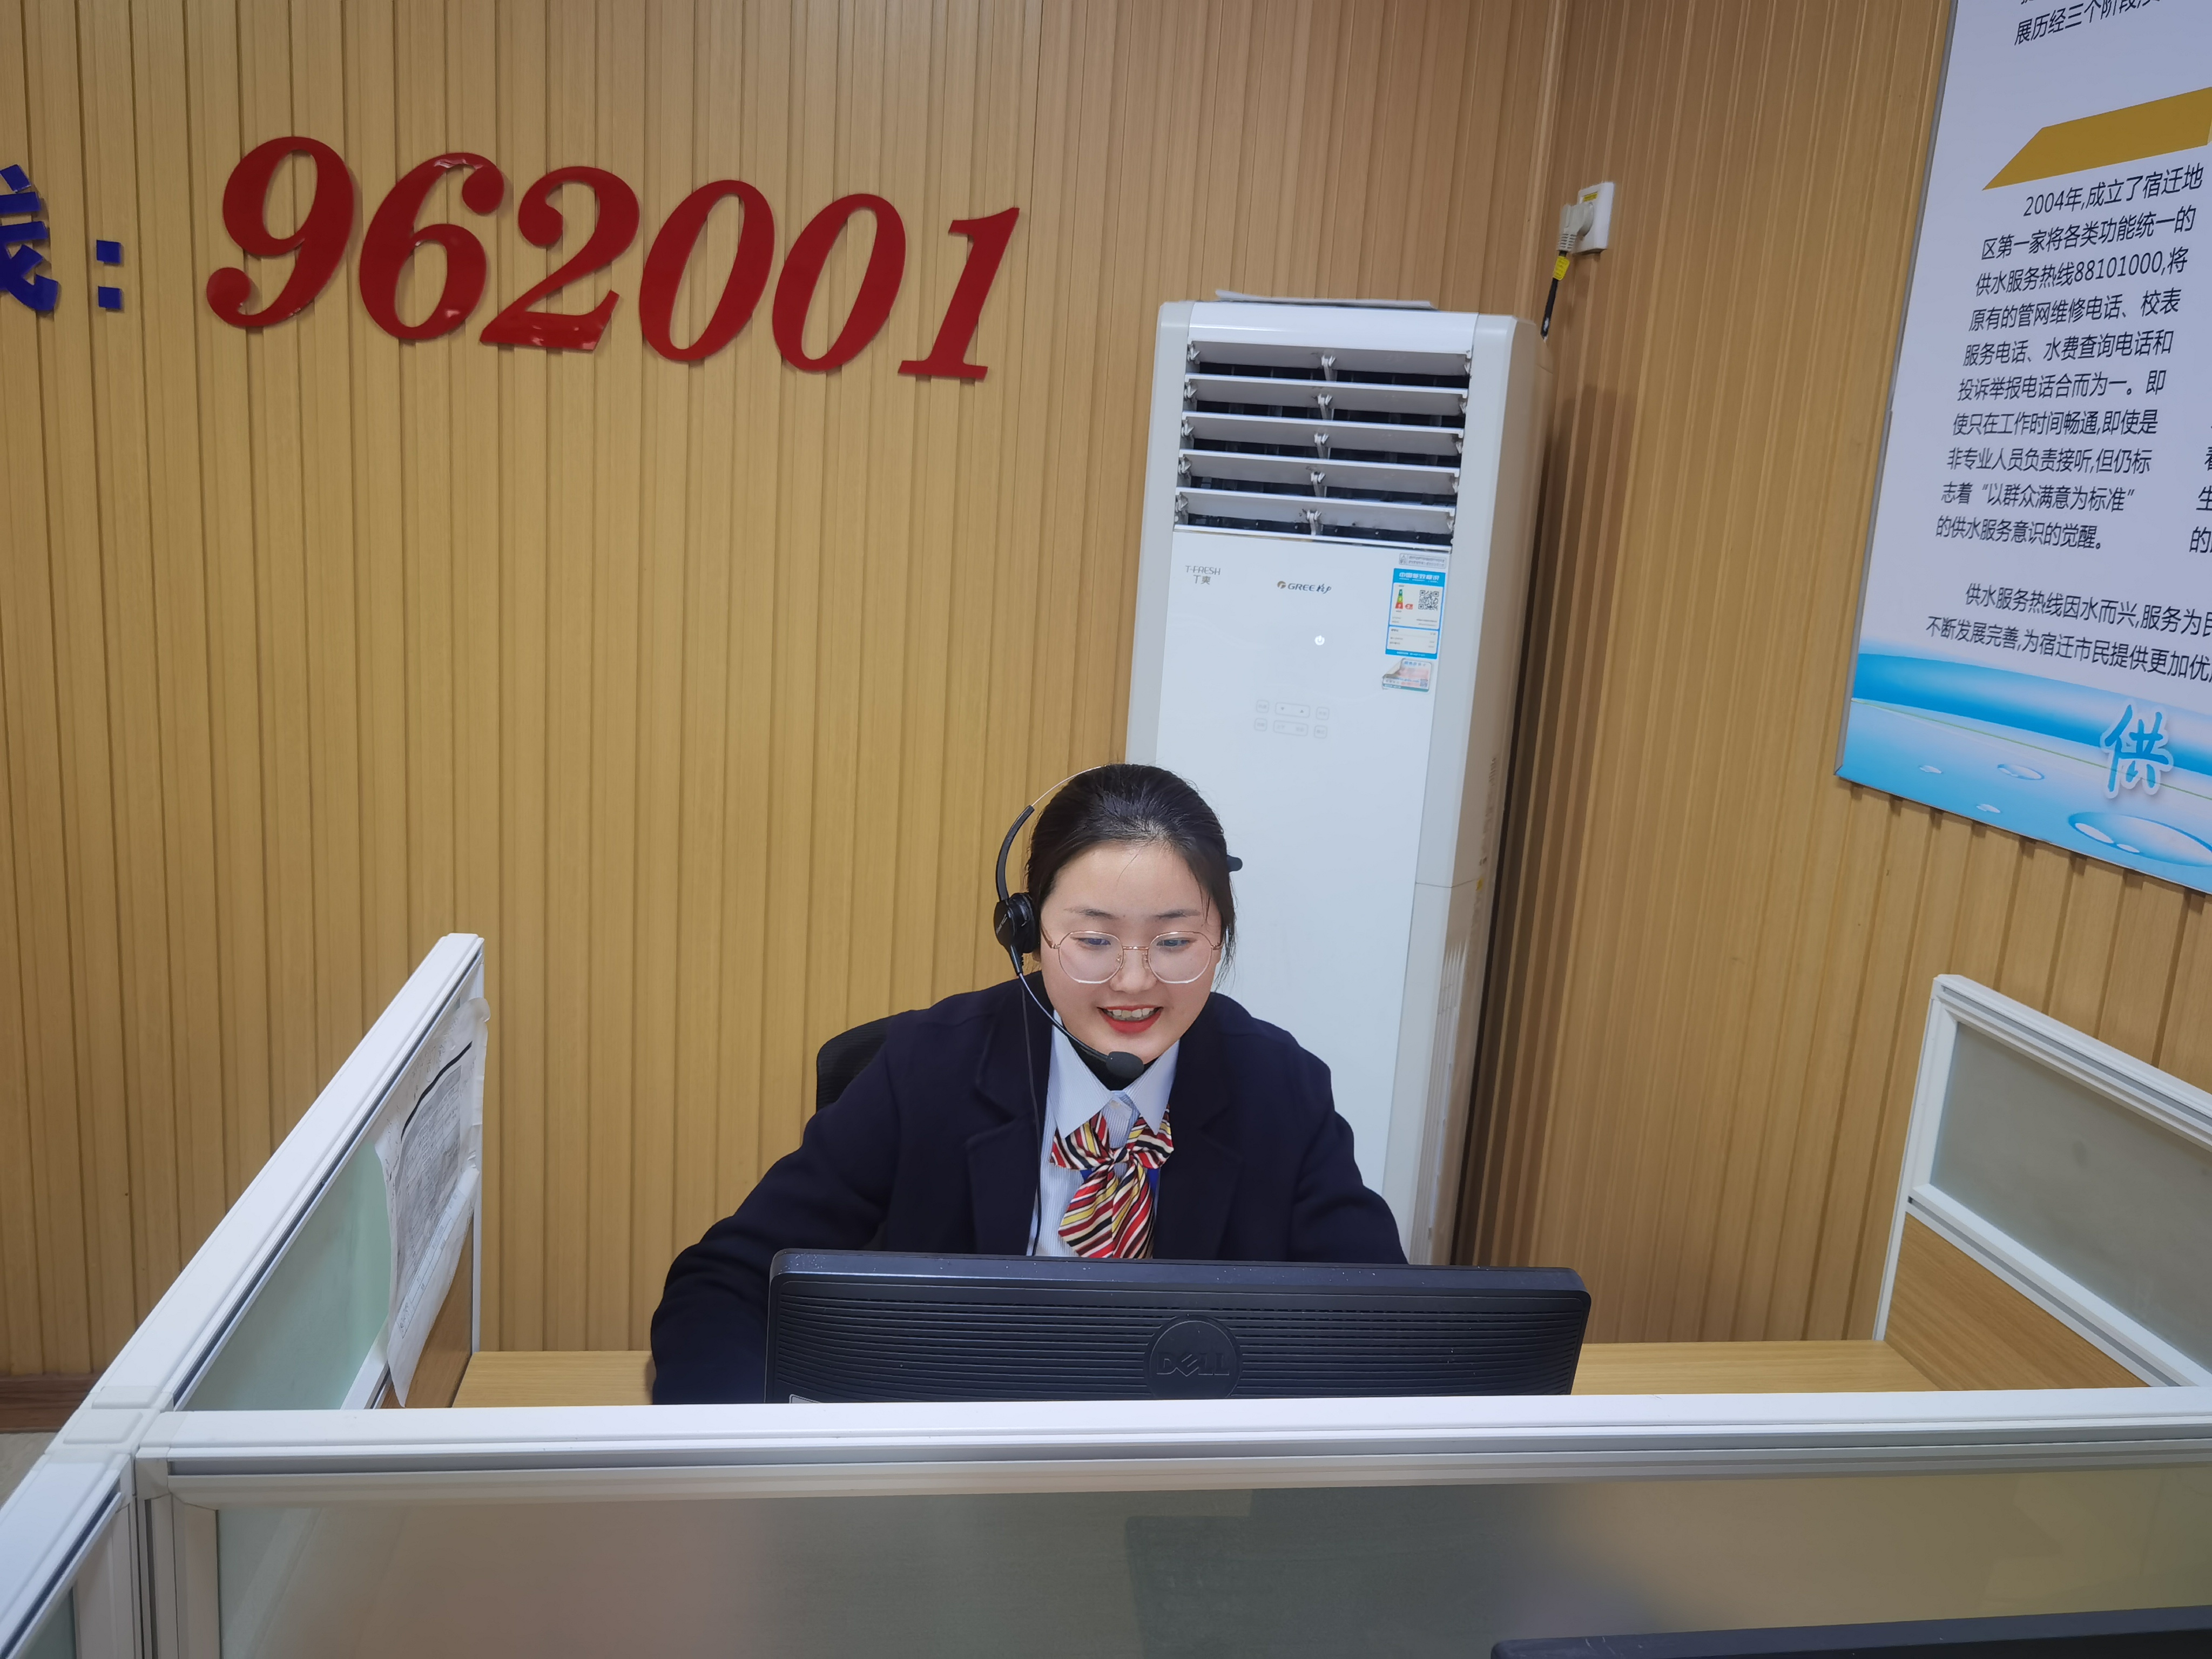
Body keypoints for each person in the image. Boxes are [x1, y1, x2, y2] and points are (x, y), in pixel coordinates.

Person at [649, 763, 1405, 1402]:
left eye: (1175, 941)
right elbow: (726, 1283)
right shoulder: (928, 1067)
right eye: (1094, 939)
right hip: (953, 1481)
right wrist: (750, 1462)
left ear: (1220, 939)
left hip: (1186, 1487)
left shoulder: (1282, 1089)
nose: (1133, 981)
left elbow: (1387, 1324)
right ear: (1027, 932)